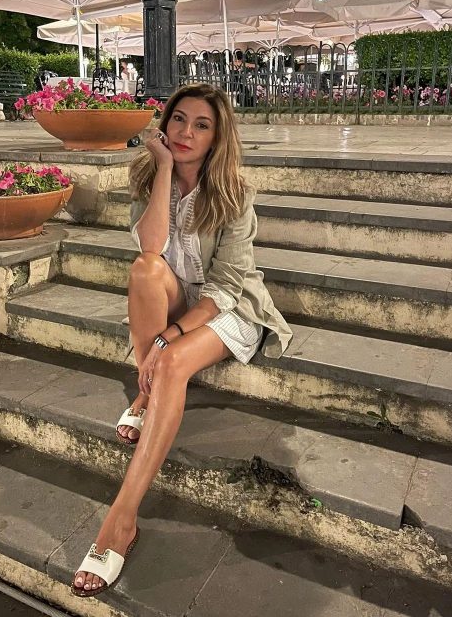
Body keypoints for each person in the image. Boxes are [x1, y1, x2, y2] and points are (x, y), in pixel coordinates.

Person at [71, 83, 293, 598]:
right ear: (165, 124)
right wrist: (165, 170)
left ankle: (121, 520)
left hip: (226, 308)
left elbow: (225, 288)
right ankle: (144, 394)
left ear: (217, 137)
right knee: (145, 270)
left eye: (202, 125)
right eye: (179, 119)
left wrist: (169, 337)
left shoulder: (234, 193)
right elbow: (151, 248)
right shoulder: (148, 177)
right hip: (175, 293)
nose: (187, 132)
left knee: (171, 362)